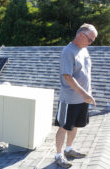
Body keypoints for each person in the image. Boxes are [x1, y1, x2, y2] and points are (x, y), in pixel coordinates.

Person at [55, 23, 98, 168]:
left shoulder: (84, 49)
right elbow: (67, 76)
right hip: (69, 99)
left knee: (74, 126)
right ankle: (58, 155)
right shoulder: (68, 51)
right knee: (63, 126)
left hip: (82, 98)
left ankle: (69, 149)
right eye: (90, 40)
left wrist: (87, 94)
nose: (91, 43)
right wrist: (84, 93)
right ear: (81, 35)